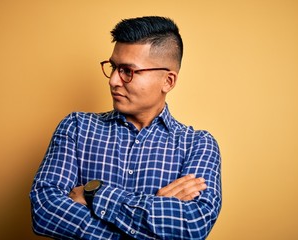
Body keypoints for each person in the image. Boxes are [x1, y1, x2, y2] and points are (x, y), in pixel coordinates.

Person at [30, 16, 222, 240]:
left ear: (168, 81)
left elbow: (194, 225)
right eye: (113, 67)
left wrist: (95, 192)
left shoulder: (198, 145)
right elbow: (44, 210)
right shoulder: (76, 127)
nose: (113, 80)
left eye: (127, 71)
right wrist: (154, 215)